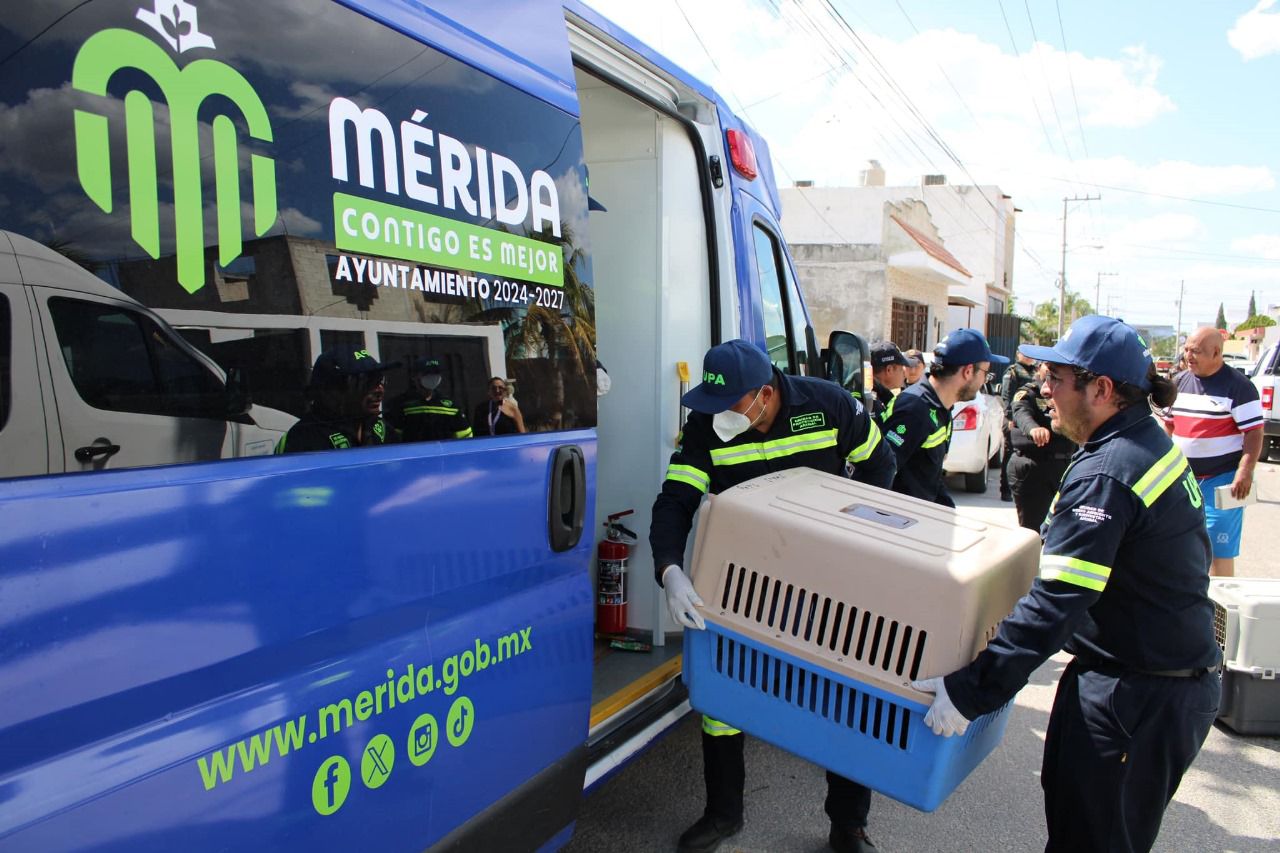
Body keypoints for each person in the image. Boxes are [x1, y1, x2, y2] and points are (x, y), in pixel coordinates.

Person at [913, 315, 1220, 853]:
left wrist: (971, 692)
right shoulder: (1140, 441)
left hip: (1137, 692)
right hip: (1148, 679)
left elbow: (1059, 600)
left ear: (1102, 389)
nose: (1043, 389)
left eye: (1056, 377)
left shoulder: (1109, 470)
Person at [650, 339, 896, 853]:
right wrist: (671, 570)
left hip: (832, 582)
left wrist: (853, 537)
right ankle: (723, 813)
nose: (718, 416)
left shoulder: (828, 407)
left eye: (729, 405)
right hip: (746, 581)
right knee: (724, 699)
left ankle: (847, 825)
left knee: (844, 698)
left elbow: (881, 467)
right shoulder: (706, 427)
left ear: (764, 395)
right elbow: (676, 500)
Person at [1162, 326, 1263, 577]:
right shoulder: (1178, 383)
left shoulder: (1239, 387)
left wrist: (1245, 471)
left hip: (1224, 480)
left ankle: (1220, 612)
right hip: (1183, 480)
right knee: (1181, 544)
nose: (1188, 356)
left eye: (1195, 351)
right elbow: (1168, 425)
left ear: (1216, 352)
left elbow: (1254, 432)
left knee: (1219, 547)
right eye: (1186, 350)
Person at [881, 329, 1007, 507]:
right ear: (968, 371)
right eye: (986, 374)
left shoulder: (941, 407)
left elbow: (929, 477)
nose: (984, 381)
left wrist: (949, 512)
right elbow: (880, 472)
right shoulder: (915, 409)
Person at [275, 348, 395, 453]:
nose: (380, 390)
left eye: (380, 379)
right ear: (331, 392)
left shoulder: (379, 427)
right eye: (368, 382)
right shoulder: (302, 440)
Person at [1008, 362, 1076, 531]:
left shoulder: (1065, 391)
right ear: (1039, 369)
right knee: (1034, 529)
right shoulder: (1029, 391)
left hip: (1064, 465)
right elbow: (1020, 411)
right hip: (1034, 465)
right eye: (1047, 366)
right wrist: (1033, 429)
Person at [385, 357, 473, 442]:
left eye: (436, 373)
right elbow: (392, 439)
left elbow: (464, 437)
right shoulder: (400, 404)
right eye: (427, 373)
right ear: (414, 376)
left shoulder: (451, 406)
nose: (432, 377)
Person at [998, 350, 1038, 502]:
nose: (1028, 356)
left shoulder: (1035, 371)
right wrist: (1009, 417)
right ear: (1017, 355)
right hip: (1014, 419)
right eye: (1024, 353)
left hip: (1029, 419)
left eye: (1030, 353)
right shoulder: (1013, 371)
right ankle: (1005, 490)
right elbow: (1007, 395)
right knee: (1010, 453)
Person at [868, 341, 910, 418]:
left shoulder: (878, 397)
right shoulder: (873, 405)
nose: (905, 373)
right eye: (901, 369)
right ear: (889, 370)